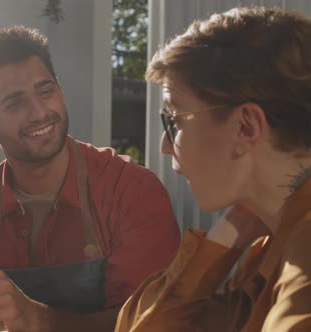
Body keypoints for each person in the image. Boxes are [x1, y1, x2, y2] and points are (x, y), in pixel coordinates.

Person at [0, 26, 180, 331]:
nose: (40, 112)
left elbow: (153, 323)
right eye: (15, 103)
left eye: (46, 91)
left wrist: (38, 319)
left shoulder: (132, 192)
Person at [115, 6, 311, 332]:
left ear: (245, 127)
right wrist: (225, 237)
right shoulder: (265, 248)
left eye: (174, 121)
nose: (165, 147)